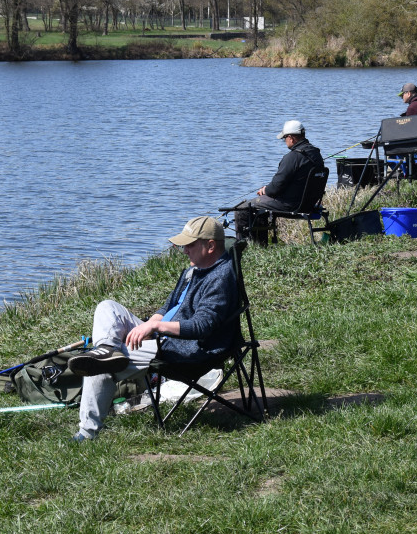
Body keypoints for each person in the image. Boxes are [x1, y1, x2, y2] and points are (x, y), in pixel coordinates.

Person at [68, 216, 238, 441]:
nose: (184, 250)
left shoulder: (220, 278)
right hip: (162, 335)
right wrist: (150, 324)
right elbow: (169, 305)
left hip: (185, 347)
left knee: (98, 367)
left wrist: (157, 326)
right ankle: (108, 350)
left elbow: (202, 326)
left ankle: (86, 434)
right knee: (107, 307)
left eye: (189, 245)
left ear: (210, 246)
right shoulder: (194, 269)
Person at [234, 120, 322, 245]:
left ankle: (246, 248)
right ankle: (260, 245)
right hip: (310, 203)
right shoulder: (316, 154)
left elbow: (274, 189)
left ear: (291, 138)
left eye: (284, 138)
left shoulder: (292, 157)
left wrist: (265, 190)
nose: (284, 141)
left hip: (292, 204)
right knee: (260, 204)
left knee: (242, 209)